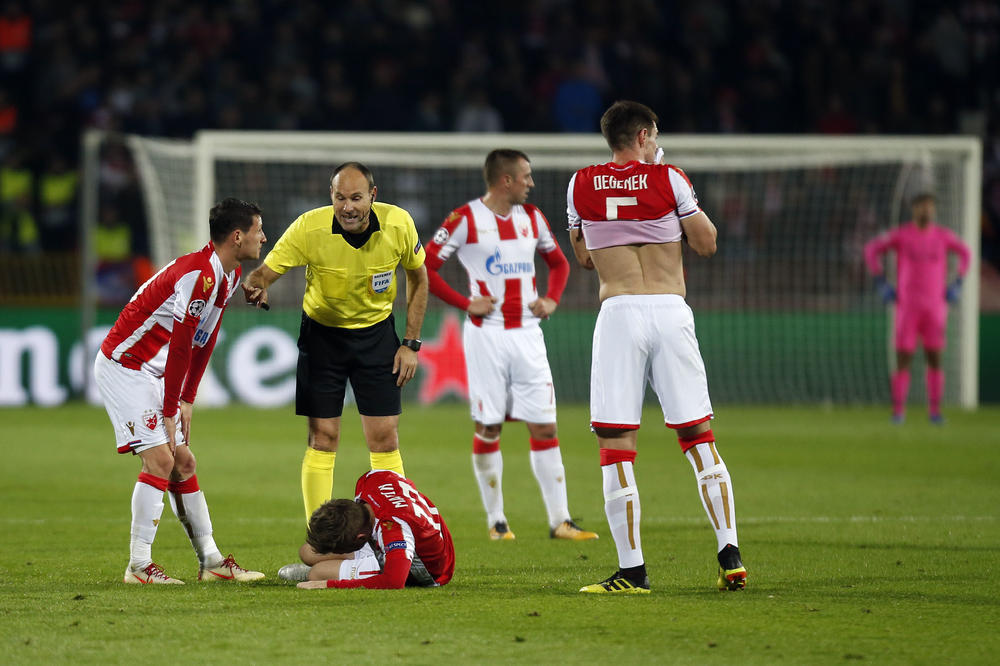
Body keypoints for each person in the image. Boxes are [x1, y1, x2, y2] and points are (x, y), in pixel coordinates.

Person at [567, 100, 746, 594]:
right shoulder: (670, 178)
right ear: (645, 135)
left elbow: (583, 257)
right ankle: (729, 553)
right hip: (669, 310)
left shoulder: (580, 183)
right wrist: (674, 201)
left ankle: (633, 572)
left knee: (616, 447)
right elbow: (707, 244)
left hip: (620, 312)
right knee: (698, 436)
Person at [424, 149, 598, 542]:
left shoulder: (532, 218)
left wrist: (552, 298)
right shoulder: (465, 219)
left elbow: (559, 263)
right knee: (489, 424)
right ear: (506, 180)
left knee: (544, 424)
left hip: (528, 334)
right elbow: (424, 267)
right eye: (526, 177)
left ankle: (561, 521)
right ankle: (497, 521)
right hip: (487, 335)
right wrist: (465, 302)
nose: (531, 183)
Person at [93, 197, 267, 584]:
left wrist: (188, 399)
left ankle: (212, 562)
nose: (264, 237)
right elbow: (182, 346)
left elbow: (205, 339)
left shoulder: (229, 274)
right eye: (258, 231)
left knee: (183, 462)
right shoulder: (199, 275)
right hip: (126, 366)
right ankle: (138, 567)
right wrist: (171, 410)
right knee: (159, 461)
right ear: (237, 236)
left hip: (153, 375)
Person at [242, 162, 428, 522]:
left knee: (385, 439)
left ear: (373, 196)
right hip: (322, 337)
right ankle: (319, 538)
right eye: (340, 198)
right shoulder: (309, 227)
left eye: (356, 198)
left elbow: (419, 278)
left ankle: (397, 534)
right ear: (331, 197)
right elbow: (264, 272)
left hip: (376, 337)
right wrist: (256, 285)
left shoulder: (398, 223)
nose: (348, 207)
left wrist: (411, 343)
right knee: (322, 438)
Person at [863, 193, 971, 423]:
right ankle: (899, 411)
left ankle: (935, 411)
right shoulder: (901, 235)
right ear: (914, 210)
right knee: (903, 358)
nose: (926, 211)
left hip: (935, 308)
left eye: (930, 207)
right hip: (907, 308)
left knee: (935, 358)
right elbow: (871, 250)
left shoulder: (943, 236)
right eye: (922, 207)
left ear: (934, 211)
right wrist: (881, 282)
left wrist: (958, 283)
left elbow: (966, 253)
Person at [280, 470, 454, 590]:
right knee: (307, 552)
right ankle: (338, 569)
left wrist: (329, 584)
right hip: (385, 536)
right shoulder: (369, 481)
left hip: (424, 569)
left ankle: (325, 572)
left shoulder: (394, 529)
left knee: (317, 574)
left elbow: (394, 581)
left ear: (361, 537)